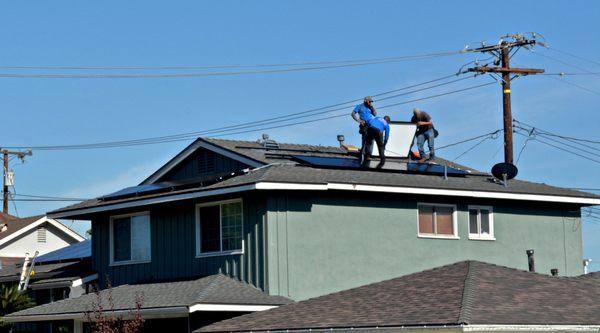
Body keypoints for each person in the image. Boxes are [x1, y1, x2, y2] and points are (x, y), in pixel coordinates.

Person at [351, 96, 377, 164]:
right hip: (364, 125)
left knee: (371, 139)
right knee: (365, 138)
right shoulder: (359, 106)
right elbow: (353, 113)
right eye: (369, 101)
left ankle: (368, 154)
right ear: (365, 100)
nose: (370, 102)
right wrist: (358, 120)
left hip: (371, 124)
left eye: (371, 101)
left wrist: (372, 107)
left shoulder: (370, 107)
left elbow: (375, 114)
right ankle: (363, 154)